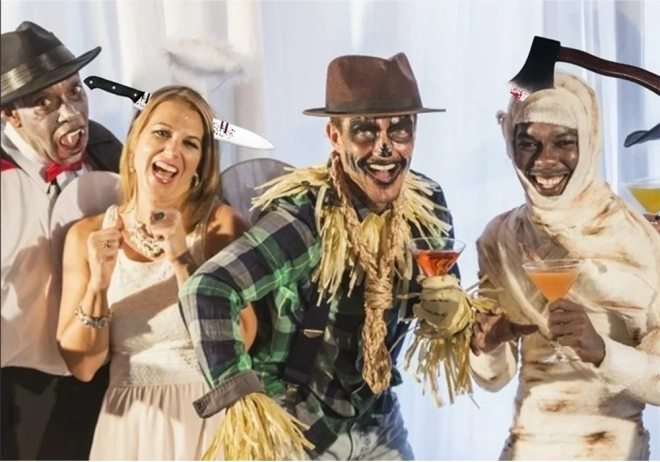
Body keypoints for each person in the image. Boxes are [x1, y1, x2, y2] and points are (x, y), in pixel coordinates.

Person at [178, 52, 460, 461]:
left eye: (399, 130)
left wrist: (455, 315)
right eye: (364, 131)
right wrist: (241, 397)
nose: (385, 148)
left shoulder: (427, 204)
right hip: (298, 423)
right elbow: (208, 289)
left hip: (377, 417)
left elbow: (442, 299)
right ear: (334, 136)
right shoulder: (308, 215)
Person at [55, 85, 258, 460]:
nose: (172, 151)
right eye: (162, 133)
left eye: (190, 143)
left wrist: (183, 259)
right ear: (134, 143)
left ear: (199, 166)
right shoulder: (85, 235)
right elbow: (82, 366)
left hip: (208, 420)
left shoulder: (221, 227)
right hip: (128, 427)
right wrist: (98, 286)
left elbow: (241, 340)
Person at [469, 71, 660, 460]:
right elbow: (493, 379)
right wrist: (488, 343)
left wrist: (602, 352)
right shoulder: (501, 236)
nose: (545, 160)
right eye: (528, 143)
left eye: (563, 142)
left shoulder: (638, 238)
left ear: (588, 142)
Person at [1, 21, 122, 460]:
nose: (70, 112)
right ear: (11, 114)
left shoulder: (108, 155)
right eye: (45, 102)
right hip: (14, 387)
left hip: (100, 376)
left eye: (75, 92)